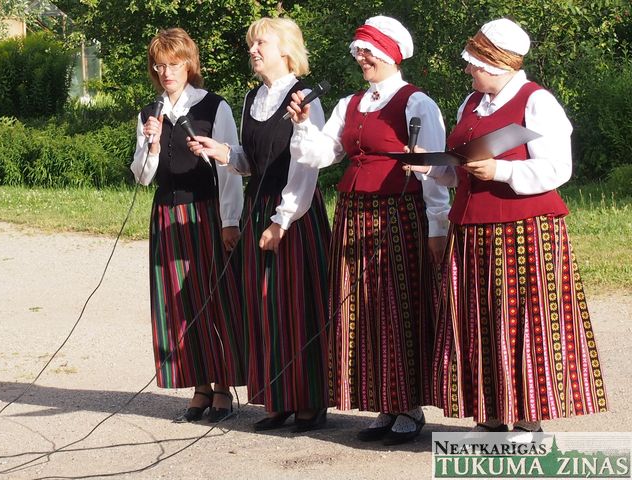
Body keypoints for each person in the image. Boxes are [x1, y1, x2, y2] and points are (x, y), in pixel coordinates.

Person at [411, 18, 608, 436]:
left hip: (522, 232)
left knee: (520, 324)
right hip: (472, 231)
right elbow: (461, 171)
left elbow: (558, 168)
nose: (469, 69)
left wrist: (501, 170)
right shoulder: (471, 103)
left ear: (495, 63)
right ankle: (491, 415)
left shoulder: (536, 101)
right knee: (478, 322)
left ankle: (527, 421)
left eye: (474, 62)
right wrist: (430, 165)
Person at [286, 15, 450, 444]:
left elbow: (433, 167)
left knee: (396, 306)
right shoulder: (350, 103)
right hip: (353, 213)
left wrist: (438, 224)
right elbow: (321, 154)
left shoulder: (417, 103)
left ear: (390, 54)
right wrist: (302, 123)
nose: (362, 58)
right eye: (359, 52)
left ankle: (408, 406)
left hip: (399, 216)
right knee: (362, 309)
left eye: (368, 52)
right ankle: (384, 403)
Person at [188, 17, 331, 433]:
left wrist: (282, 221)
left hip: (294, 212)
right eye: (251, 44)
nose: (252, 50)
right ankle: (279, 398)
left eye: (260, 43)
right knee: (264, 305)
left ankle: (310, 402)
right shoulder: (254, 98)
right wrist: (223, 152)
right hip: (259, 207)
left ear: (285, 49)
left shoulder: (304, 96)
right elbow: (253, 161)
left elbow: (306, 167)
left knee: (297, 305)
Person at [130, 28, 245, 423]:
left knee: (215, 299)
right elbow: (143, 176)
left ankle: (223, 386)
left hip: (206, 211)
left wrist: (230, 221)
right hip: (166, 214)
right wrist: (152, 143)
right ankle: (200, 384)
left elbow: (229, 170)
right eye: (159, 65)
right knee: (178, 301)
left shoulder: (213, 107)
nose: (166, 72)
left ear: (189, 65)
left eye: (174, 64)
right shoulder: (150, 112)